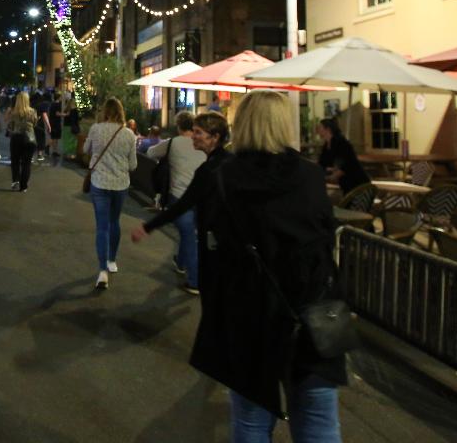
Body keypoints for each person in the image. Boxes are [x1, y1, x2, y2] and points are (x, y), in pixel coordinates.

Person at [133, 90, 346, 441]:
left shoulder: (224, 176)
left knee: (251, 419)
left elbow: (216, 251)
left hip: (250, 314)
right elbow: (323, 243)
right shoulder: (309, 176)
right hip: (312, 312)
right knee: (318, 420)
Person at [143, 112, 215, 295]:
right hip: (202, 197)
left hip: (179, 196)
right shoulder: (204, 145)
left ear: (178, 126)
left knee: (189, 236)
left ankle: (194, 281)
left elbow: (151, 152)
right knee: (190, 234)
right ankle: (181, 263)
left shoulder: (173, 143)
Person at [83, 96, 138, 290]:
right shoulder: (129, 134)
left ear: (104, 111)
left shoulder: (96, 129)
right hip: (120, 185)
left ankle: (102, 271)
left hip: (99, 182)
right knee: (114, 222)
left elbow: (85, 149)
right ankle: (112, 260)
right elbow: (133, 165)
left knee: (102, 226)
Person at [316, 117, 369, 194]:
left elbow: (349, 163)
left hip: (358, 184)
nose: (317, 130)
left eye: (320, 127)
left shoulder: (341, 143)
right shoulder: (326, 145)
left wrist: (333, 176)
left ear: (327, 129)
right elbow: (322, 164)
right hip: (346, 185)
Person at [5, 92, 38, 192]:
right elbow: (35, 123)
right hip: (29, 138)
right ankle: (24, 186)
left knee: (15, 161)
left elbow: (10, 126)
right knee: (26, 164)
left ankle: (16, 181)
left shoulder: (13, 112)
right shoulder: (32, 111)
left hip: (16, 138)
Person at [47, 92, 64, 163]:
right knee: (55, 137)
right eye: (61, 97)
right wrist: (64, 114)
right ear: (59, 97)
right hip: (55, 123)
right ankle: (51, 149)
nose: (62, 98)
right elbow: (57, 113)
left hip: (52, 122)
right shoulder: (57, 104)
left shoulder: (52, 104)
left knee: (55, 137)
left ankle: (55, 151)